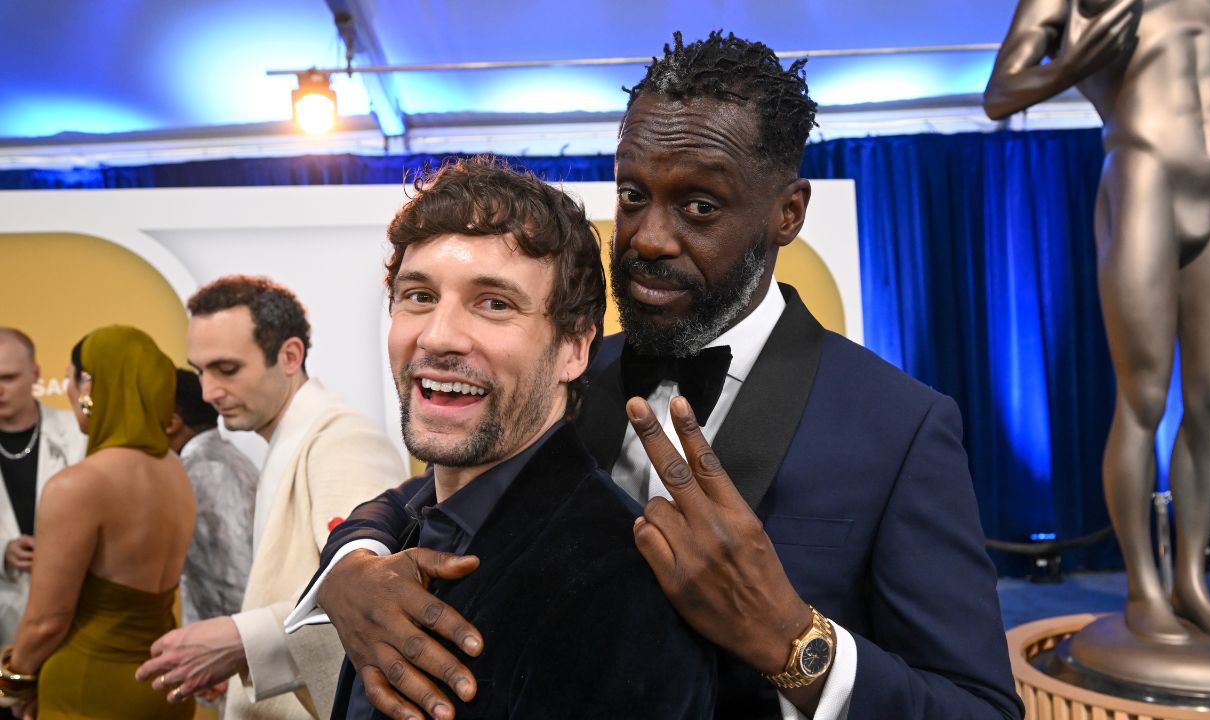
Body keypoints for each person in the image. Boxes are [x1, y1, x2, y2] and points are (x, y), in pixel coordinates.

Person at [302, 32, 1021, 720]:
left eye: (699, 206)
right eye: (634, 194)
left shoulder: (900, 426)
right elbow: (424, 495)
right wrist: (354, 566)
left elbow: (977, 708)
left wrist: (794, 642)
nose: (647, 237)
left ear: (788, 213)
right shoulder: (574, 367)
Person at [290, 156, 717, 719]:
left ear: (574, 349)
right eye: (419, 296)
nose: (439, 336)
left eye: (494, 304)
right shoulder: (411, 522)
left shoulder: (618, 591)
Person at [985, 0, 1210, 642]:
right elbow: (999, 94)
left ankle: (1190, 584)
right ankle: (1143, 585)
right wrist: (1073, 64)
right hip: (1144, 171)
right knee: (1142, 398)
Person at [136, 277, 403, 719]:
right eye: (200, 371)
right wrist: (246, 656)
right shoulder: (294, 439)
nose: (207, 392)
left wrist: (241, 639)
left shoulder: (342, 440)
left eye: (227, 369)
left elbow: (373, 598)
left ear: (290, 356)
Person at [3, 326, 194, 719]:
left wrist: (13, 683)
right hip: (166, 684)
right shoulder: (176, 470)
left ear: (88, 386)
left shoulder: (79, 484)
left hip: (89, 688)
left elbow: (46, 623)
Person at [0, 328, 84, 646]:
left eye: (8, 378)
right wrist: (3, 551)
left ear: (35, 373)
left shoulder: (80, 436)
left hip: (73, 615)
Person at [164, 367, 256, 626]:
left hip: (227, 649)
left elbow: (231, 578)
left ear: (172, 422)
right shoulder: (213, 460)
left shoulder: (205, 470)